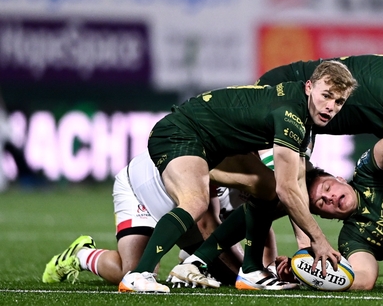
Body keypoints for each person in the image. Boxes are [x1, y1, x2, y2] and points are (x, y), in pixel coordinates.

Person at [165, 55, 383, 288]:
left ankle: (224, 258)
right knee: (280, 191)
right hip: (286, 102)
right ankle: (204, 258)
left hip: (303, 120)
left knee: (275, 193)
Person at [117, 60, 358, 293]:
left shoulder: (302, 113)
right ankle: (139, 275)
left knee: (266, 186)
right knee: (196, 201)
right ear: (308, 87)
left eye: (339, 101)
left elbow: (290, 183)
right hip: (183, 132)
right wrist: (318, 240)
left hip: (213, 142)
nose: (331, 106)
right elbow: (289, 189)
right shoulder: (291, 116)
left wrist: (306, 241)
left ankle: (251, 270)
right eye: (326, 96)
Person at [40, 152, 283, 289]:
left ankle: (189, 257)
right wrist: (250, 272)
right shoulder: (225, 159)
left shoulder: (254, 177)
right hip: (142, 190)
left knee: (230, 276)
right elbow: (208, 226)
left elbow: (261, 223)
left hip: (186, 207)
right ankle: (81, 255)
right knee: (134, 273)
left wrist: (267, 269)